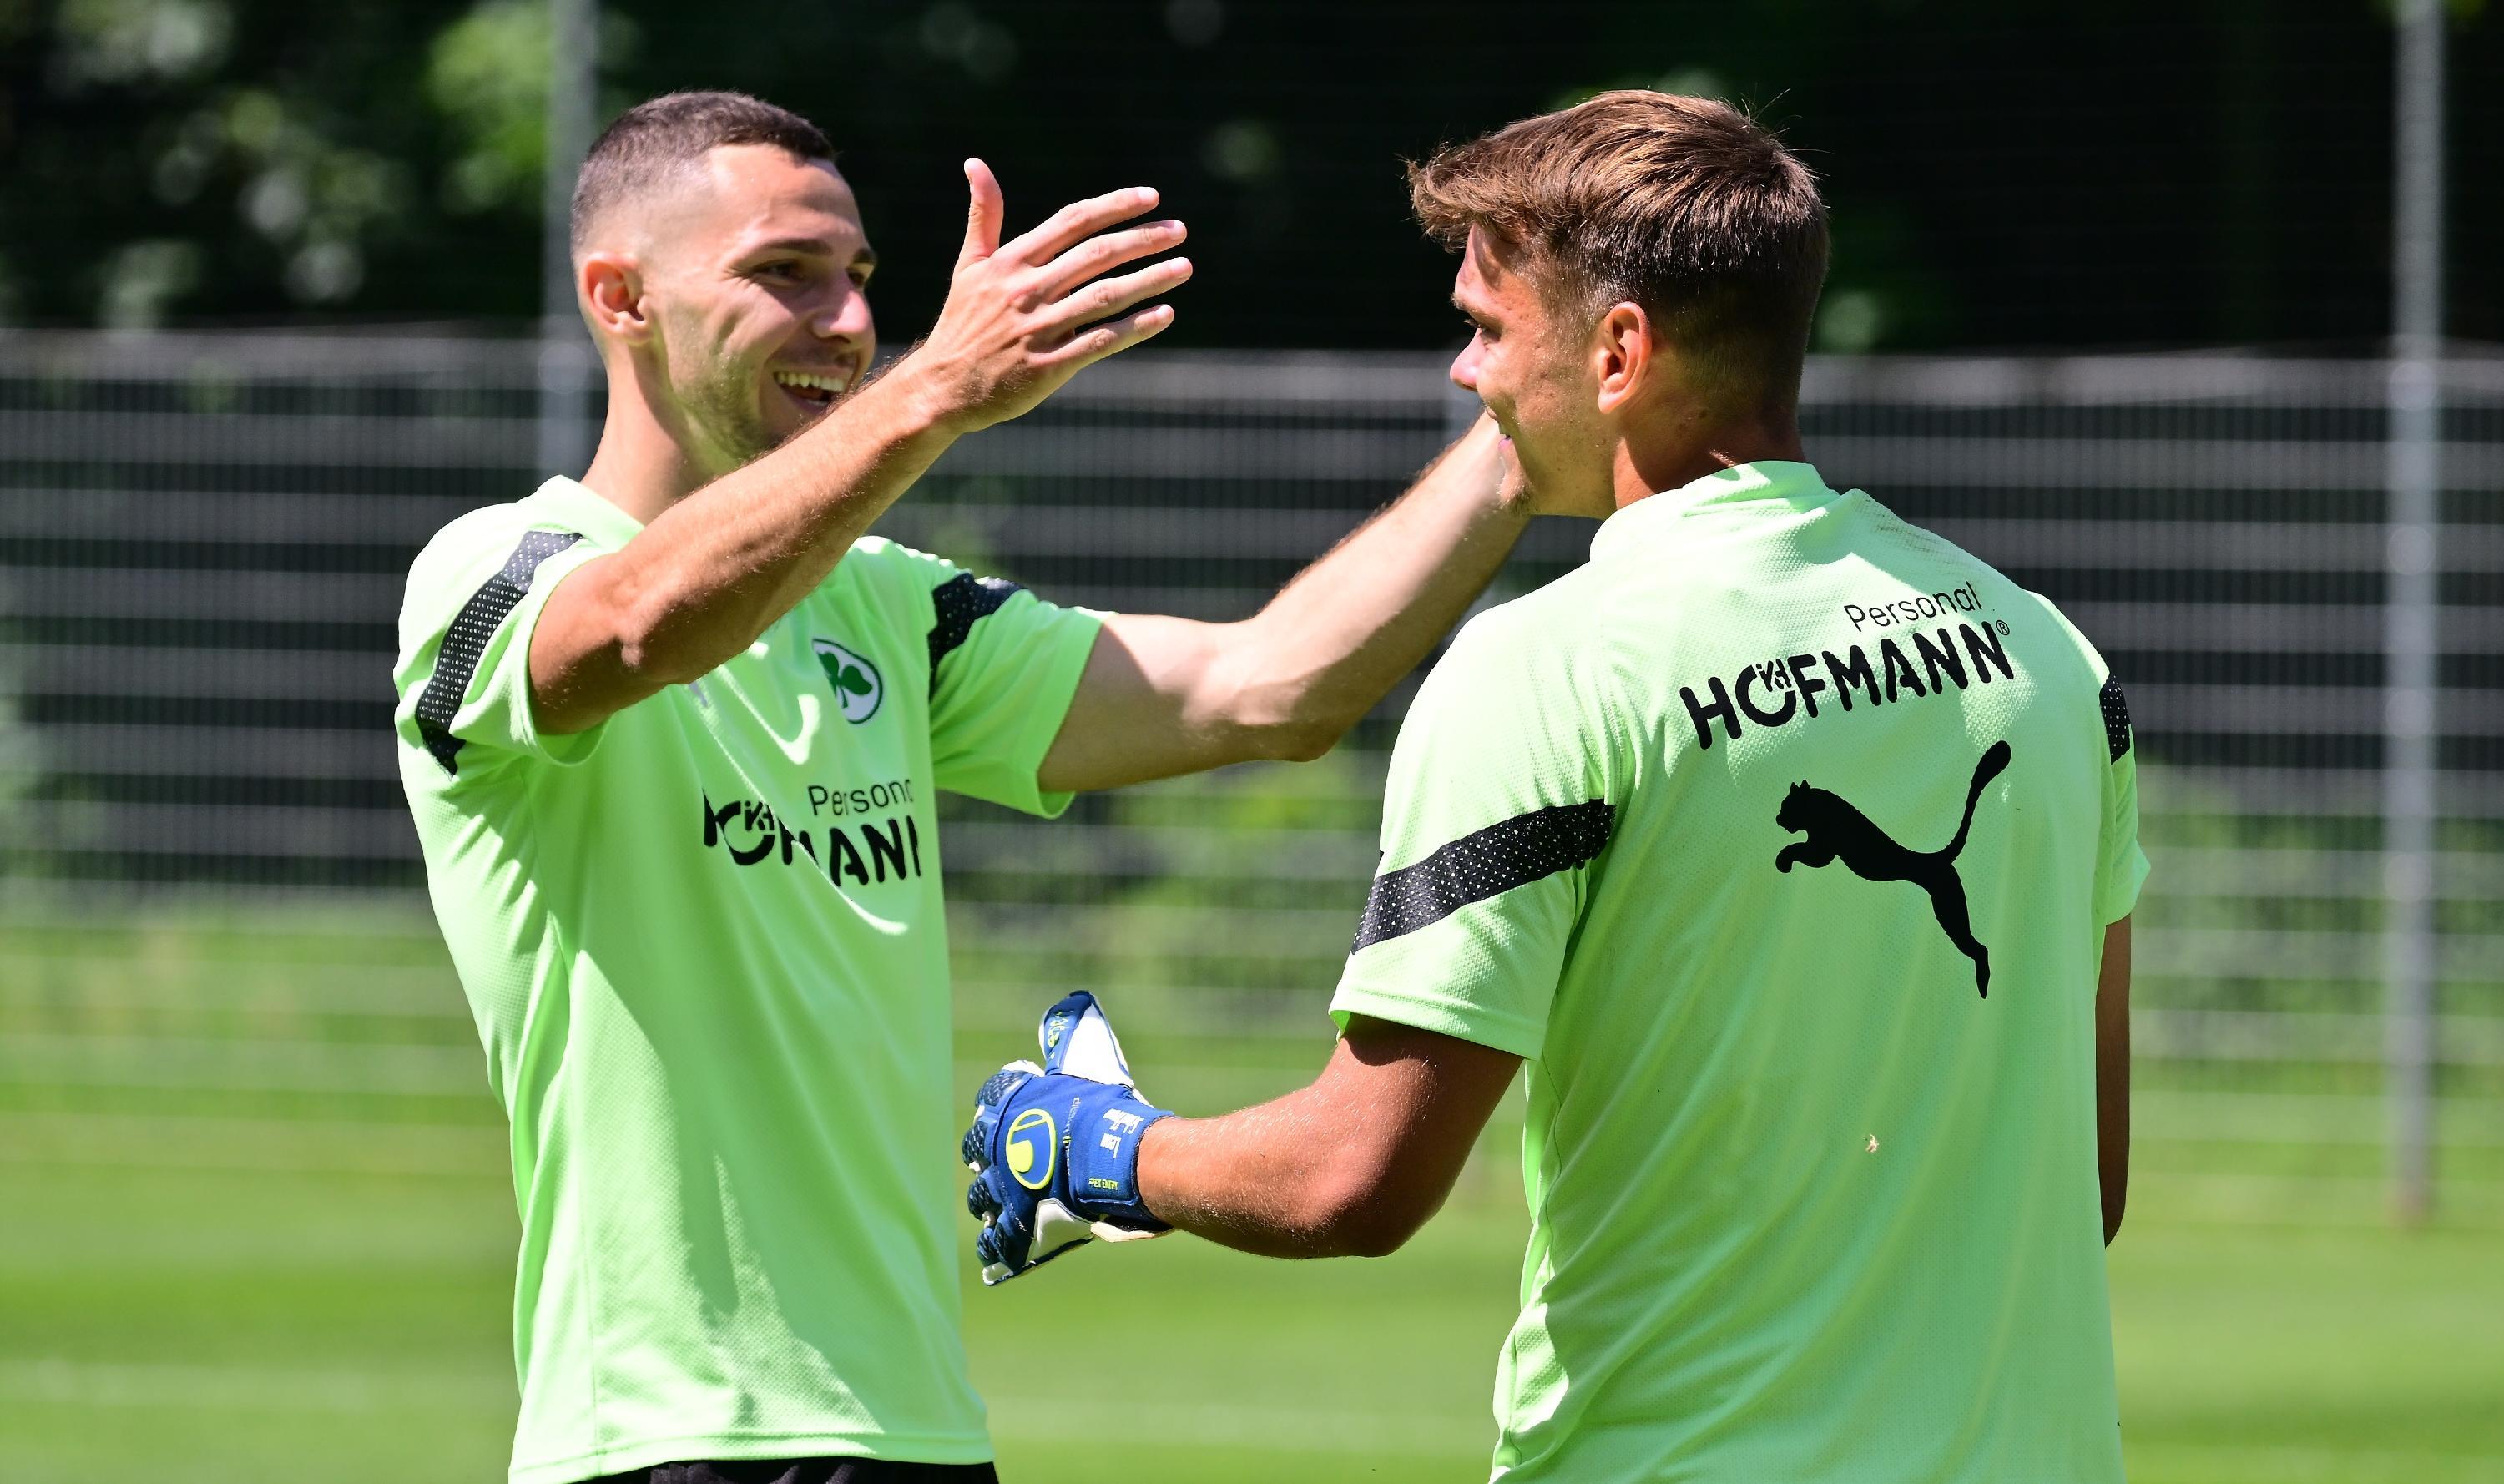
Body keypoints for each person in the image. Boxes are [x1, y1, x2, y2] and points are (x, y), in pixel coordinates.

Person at [965, 91, 2144, 1483]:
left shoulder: (1547, 670)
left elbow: (1360, 1176)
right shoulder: (2047, 653)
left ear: (1619, 350)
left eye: (1486, 328)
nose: (1466, 376)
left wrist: (1105, 1153)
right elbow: (2091, 1177)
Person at [392, 91, 1527, 1484]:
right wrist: (938, 390)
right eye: (783, 274)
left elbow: (1264, 689)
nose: (848, 322)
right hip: (661, 1438)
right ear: (619, 298)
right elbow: (635, 626)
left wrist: (1523, 429)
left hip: (918, 1437)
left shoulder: (878, 608)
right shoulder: (489, 573)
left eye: (860, 278)